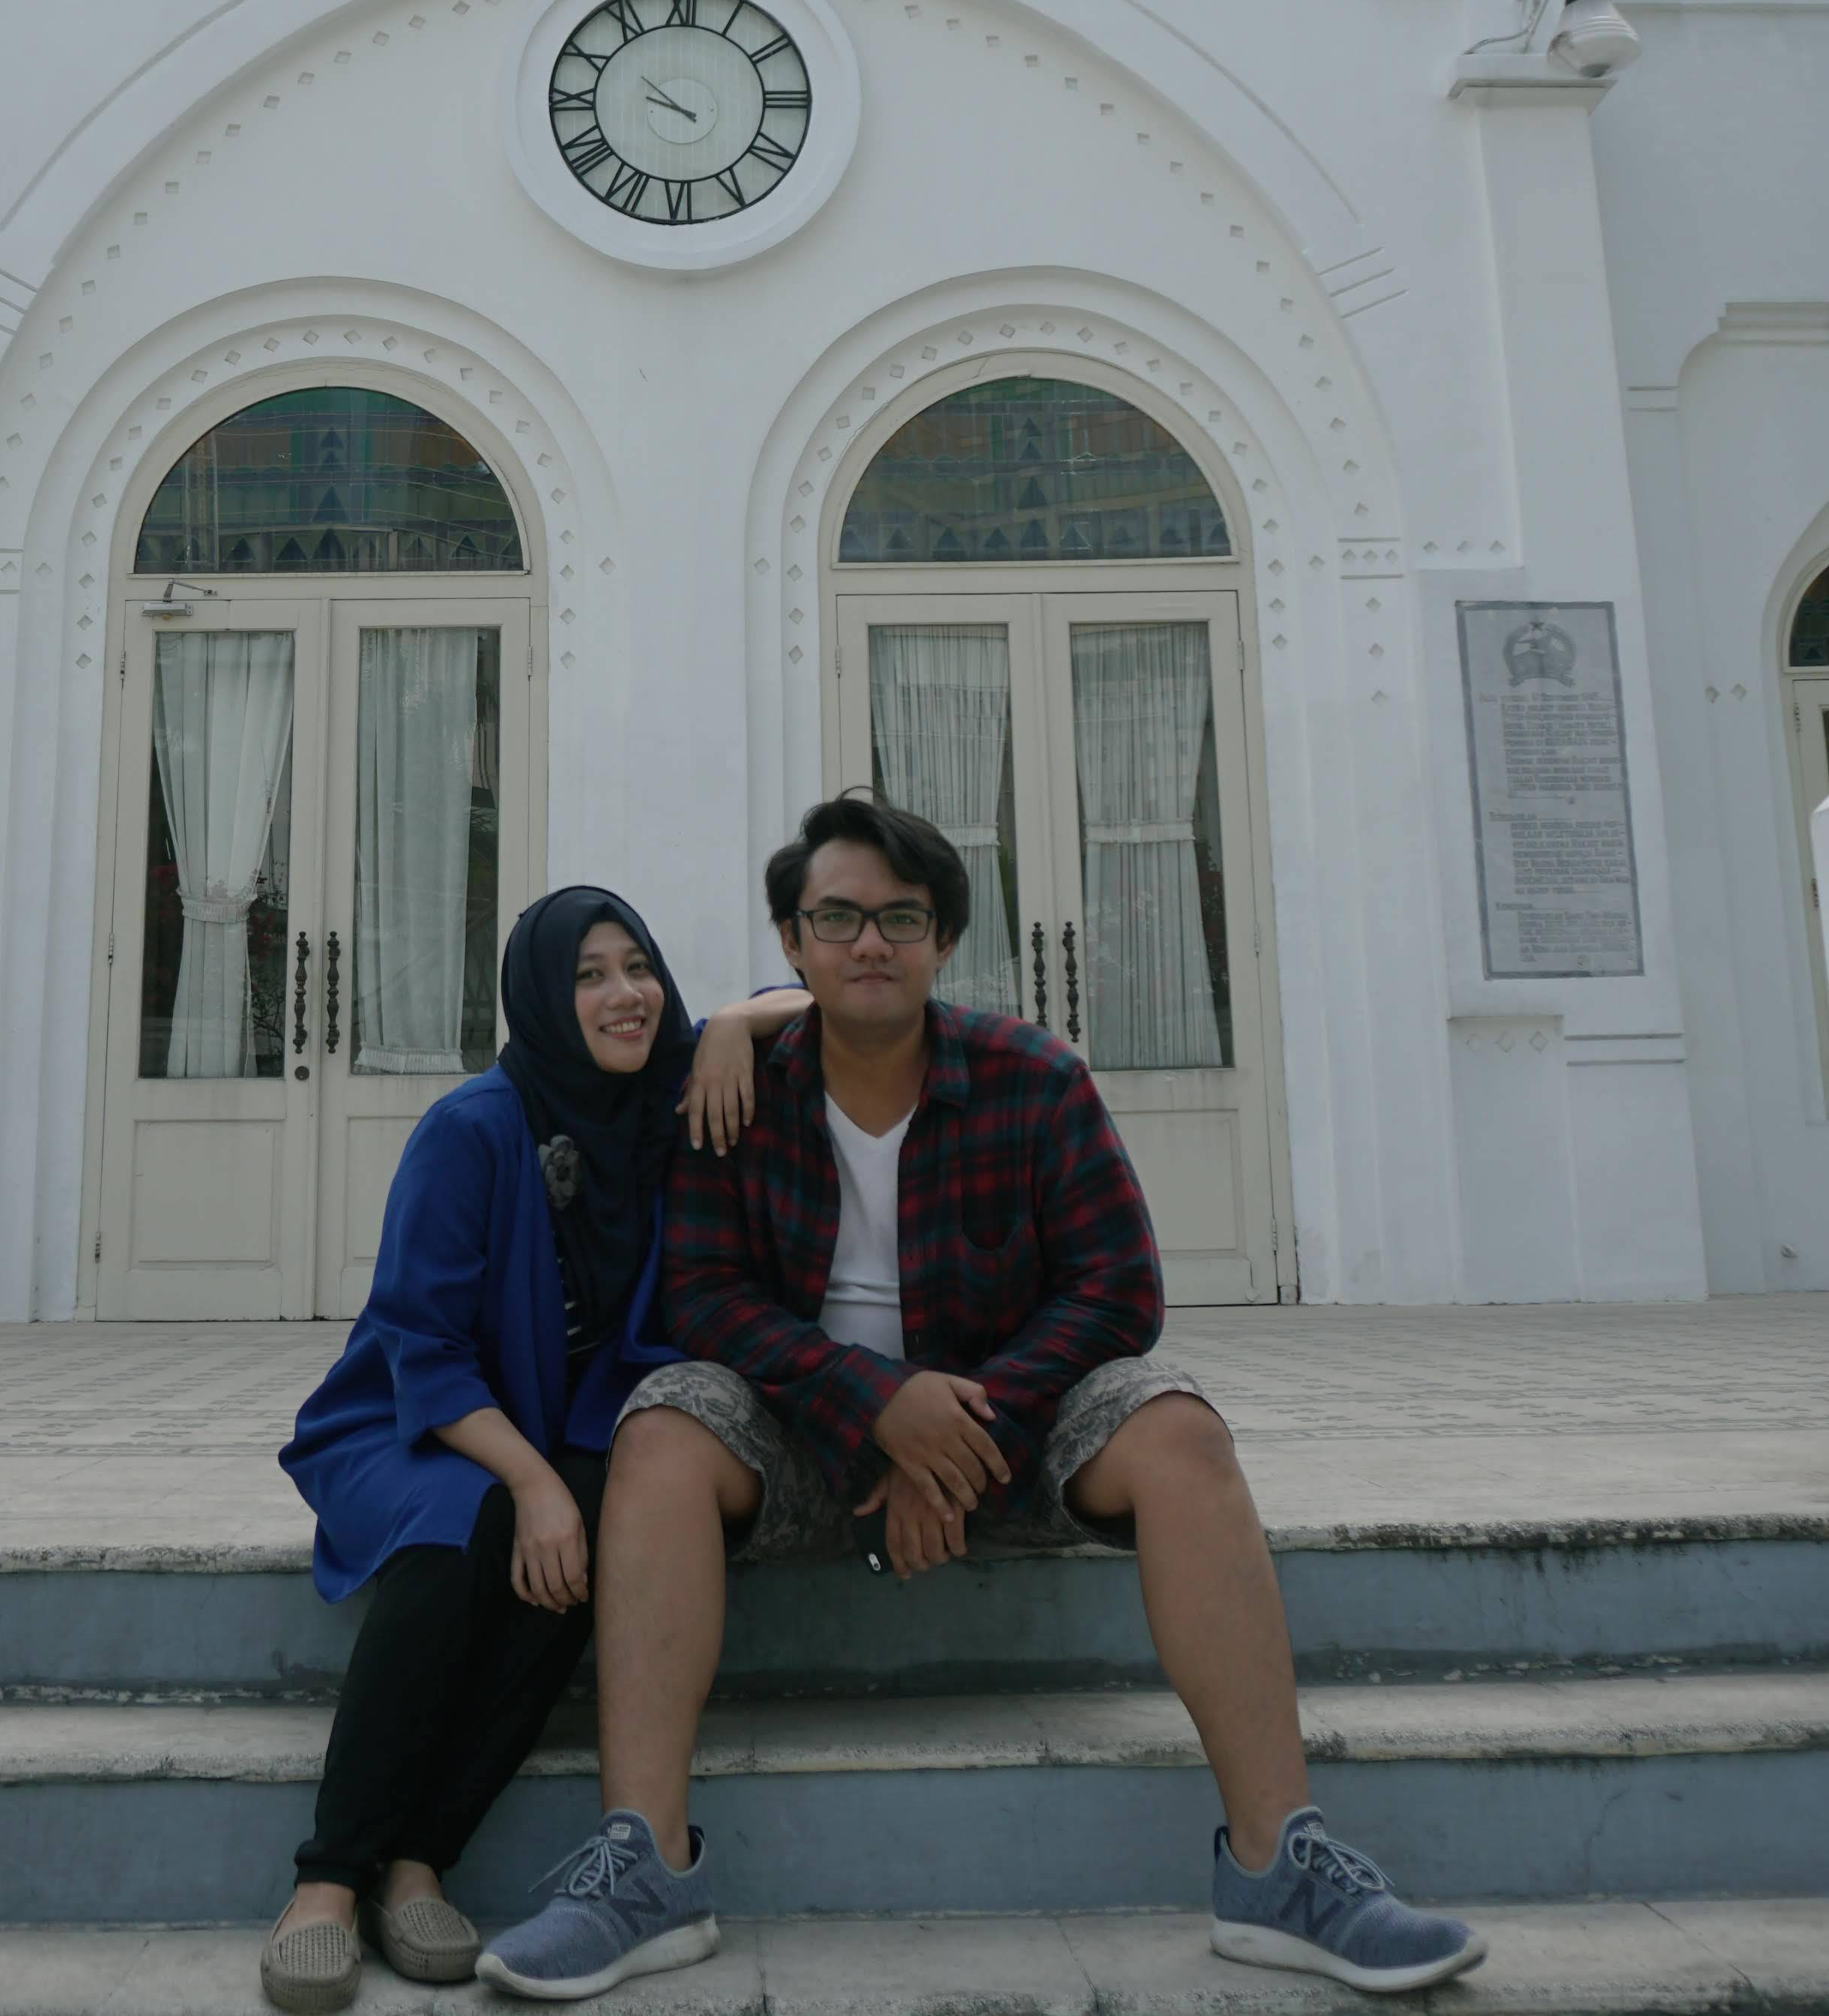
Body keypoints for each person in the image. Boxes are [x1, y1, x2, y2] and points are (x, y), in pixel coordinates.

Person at [477, 796, 1487, 2004]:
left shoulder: (1034, 1078)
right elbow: (702, 1296)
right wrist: (874, 1406)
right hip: (803, 1437)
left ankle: (1281, 1867)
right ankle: (645, 1871)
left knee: (1177, 1426)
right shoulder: (731, 1094)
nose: (869, 943)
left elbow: (1119, 1288)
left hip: (1010, 1431)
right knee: (660, 1425)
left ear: (945, 939)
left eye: (901, 918)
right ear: (791, 943)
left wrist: (956, 1435)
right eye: (837, 918)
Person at [263, 887, 794, 2015]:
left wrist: (739, 1025)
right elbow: (423, 1345)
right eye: (588, 976)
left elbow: (832, 1004)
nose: (624, 995)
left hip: (563, 1418)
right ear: (545, 999)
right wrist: (534, 1478)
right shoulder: (472, 1128)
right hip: (415, 1419)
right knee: (466, 1525)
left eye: (638, 967)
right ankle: (329, 1879)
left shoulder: (671, 1094)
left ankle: (421, 1861)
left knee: (600, 1533)